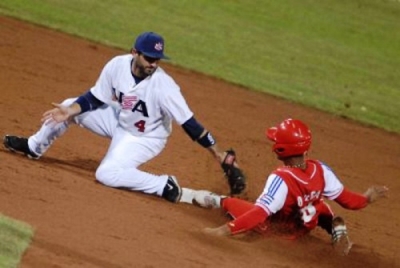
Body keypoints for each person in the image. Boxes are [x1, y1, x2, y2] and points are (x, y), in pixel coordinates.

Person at [3, 31, 246, 204]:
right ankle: (33, 147)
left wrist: (218, 153)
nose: (153, 63)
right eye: (148, 57)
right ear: (134, 53)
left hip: (144, 138)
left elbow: (190, 124)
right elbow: (95, 98)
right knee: (69, 105)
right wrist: (71, 111)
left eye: (157, 59)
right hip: (120, 119)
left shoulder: (164, 86)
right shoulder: (117, 65)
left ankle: (164, 185)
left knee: (106, 174)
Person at [193, 118, 388, 255]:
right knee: (320, 205)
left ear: (281, 150)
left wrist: (221, 231)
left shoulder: (281, 179)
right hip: (305, 225)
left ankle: (184, 195)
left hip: (278, 233)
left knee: (230, 202)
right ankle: (335, 229)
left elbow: (258, 214)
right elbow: (349, 201)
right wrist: (367, 197)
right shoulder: (321, 170)